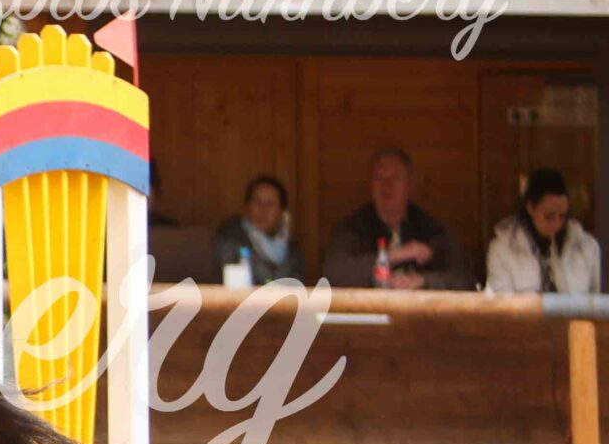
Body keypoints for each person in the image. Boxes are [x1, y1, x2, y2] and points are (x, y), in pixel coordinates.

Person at [320, 147, 467, 289]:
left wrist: (424, 281)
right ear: (370, 184)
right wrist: (394, 255)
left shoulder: (432, 230)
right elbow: (332, 275)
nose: (386, 186)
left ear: (409, 185)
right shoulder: (352, 227)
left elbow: (465, 280)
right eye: (379, 178)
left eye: (395, 178)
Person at [485, 166, 601, 294]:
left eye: (562, 216)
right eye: (549, 216)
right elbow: (502, 302)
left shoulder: (587, 247)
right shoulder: (502, 250)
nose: (556, 224)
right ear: (530, 208)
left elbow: (599, 299)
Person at [212, 174, 306, 283]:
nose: (263, 209)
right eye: (257, 202)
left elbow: (296, 282)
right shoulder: (230, 236)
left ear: (281, 212)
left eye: (270, 204)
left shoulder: (291, 247)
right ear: (247, 206)